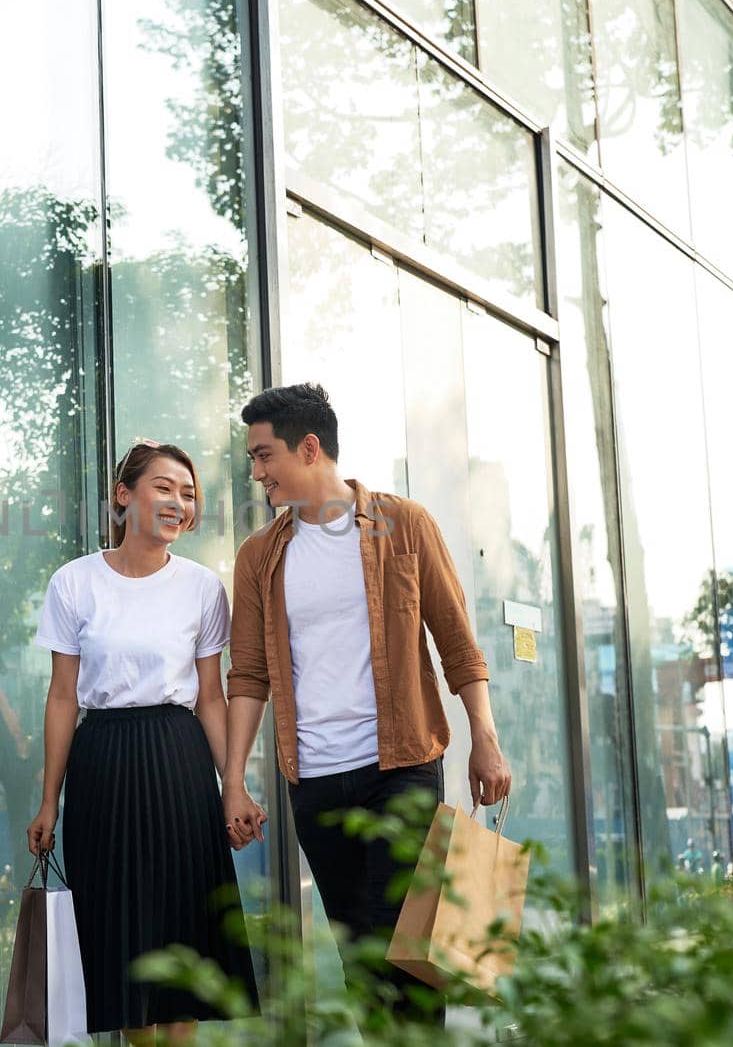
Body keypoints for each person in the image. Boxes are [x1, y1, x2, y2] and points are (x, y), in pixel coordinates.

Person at [219, 383, 513, 1025]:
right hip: (316, 781)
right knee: (361, 961)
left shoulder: (403, 525)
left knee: (405, 955)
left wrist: (484, 737)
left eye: (264, 456)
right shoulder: (259, 557)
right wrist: (234, 781)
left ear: (310, 447)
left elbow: (457, 642)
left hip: (401, 768)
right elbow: (247, 677)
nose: (257, 472)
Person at [27, 439, 260, 1043]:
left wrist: (233, 786)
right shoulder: (74, 582)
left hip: (179, 761)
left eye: (188, 494)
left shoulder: (204, 588)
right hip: (101, 762)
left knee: (182, 930)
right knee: (118, 935)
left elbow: (212, 696)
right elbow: (61, 697)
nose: (179, 503)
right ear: (123, 496)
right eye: (164, 487)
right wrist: (49, 799)